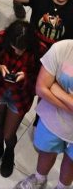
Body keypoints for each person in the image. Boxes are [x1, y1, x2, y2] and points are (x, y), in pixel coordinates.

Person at [16, 33, 73, 189]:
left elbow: (49, 86)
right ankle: (39, 179)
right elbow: (41, 88)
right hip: (53, 119)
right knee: (47, 150)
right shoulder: (62, 48)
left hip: (56, 109)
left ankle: (62, 186)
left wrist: (56, 88)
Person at [0, 19, 38, 179]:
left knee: (9, 133)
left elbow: (42, 77)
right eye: (15, 48)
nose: (18, 52)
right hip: (0, 88)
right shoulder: (0, 38)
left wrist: (26, 76)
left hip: (20, 95)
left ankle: (9, 152)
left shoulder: (39, 49)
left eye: (22, 49)